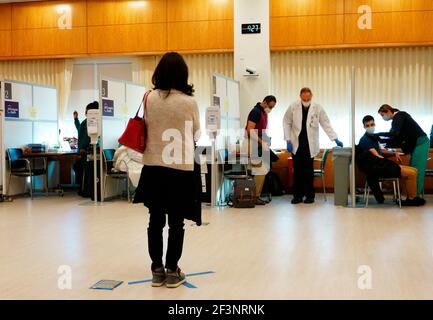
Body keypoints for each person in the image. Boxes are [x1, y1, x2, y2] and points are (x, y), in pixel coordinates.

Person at [133, 52, 201, 289]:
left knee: (155, 221)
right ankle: (172, 270)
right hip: (180, 169)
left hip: (153, 168)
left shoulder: (148, 98)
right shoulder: (189, 102)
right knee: (176, 222)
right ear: (183, 74)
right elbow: (196, 134)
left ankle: (156, 270)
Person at [283, 87, 343, 204]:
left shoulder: (317, 107)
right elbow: (286, 122)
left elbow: (325, 123)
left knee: (308, 171)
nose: (306, 99)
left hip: (310, 144)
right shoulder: (293, 106)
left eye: (308, 97)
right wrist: (288, 140)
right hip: (296, 144)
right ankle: (297, 196)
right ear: (300, 96)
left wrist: (335, 138)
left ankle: (310, 196)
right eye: (304, 97)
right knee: (298, 171)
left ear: (311, 96)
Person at [357, 115, 425, 206]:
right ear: (364, 127)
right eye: (368, 125)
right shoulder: (365, 140)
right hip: (379, 167)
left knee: (414, 170)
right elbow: (377, 156)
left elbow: (381, 151)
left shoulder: (373, 137)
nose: (370, 127)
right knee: (411, 173)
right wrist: (390, 163)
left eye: (372, 124)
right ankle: (411, 199)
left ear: (374, 124)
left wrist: (394, 153)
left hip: (381, 165)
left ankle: (408, 197)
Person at [378, 104, 430, 197]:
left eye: (382, 115)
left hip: (421, 143)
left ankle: (414, 196)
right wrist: (380, 142)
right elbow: (394, 138)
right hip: (415, 145)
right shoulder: (397, 120)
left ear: (388, 111)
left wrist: (377, 136)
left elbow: (394, 135)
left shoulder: (400, 116)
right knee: (412, 169)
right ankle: (411, 194)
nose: (383, 117)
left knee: (416, 170)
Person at [245, 95, 277, 205]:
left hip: (258, 144)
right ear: (264, 102)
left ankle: (254, 195)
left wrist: (266, 140)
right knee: (260, 170)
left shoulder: (264, 113)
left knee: (264, 168)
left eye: (272, 108)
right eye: (270, 106)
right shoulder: (255, 112)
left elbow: (260, 130)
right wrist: (261, 142)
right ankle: (253, 196)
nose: (270, 109)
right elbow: (250, 130)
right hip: (252, 143)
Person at [77, 102, 99, 198]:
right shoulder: (96, 121)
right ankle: (91, 192)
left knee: (89, 174)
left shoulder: (86, 122)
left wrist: (80, 149)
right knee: (92, 173)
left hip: (86, 152)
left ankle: (89, 192)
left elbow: (83, 138)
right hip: (92, 151)